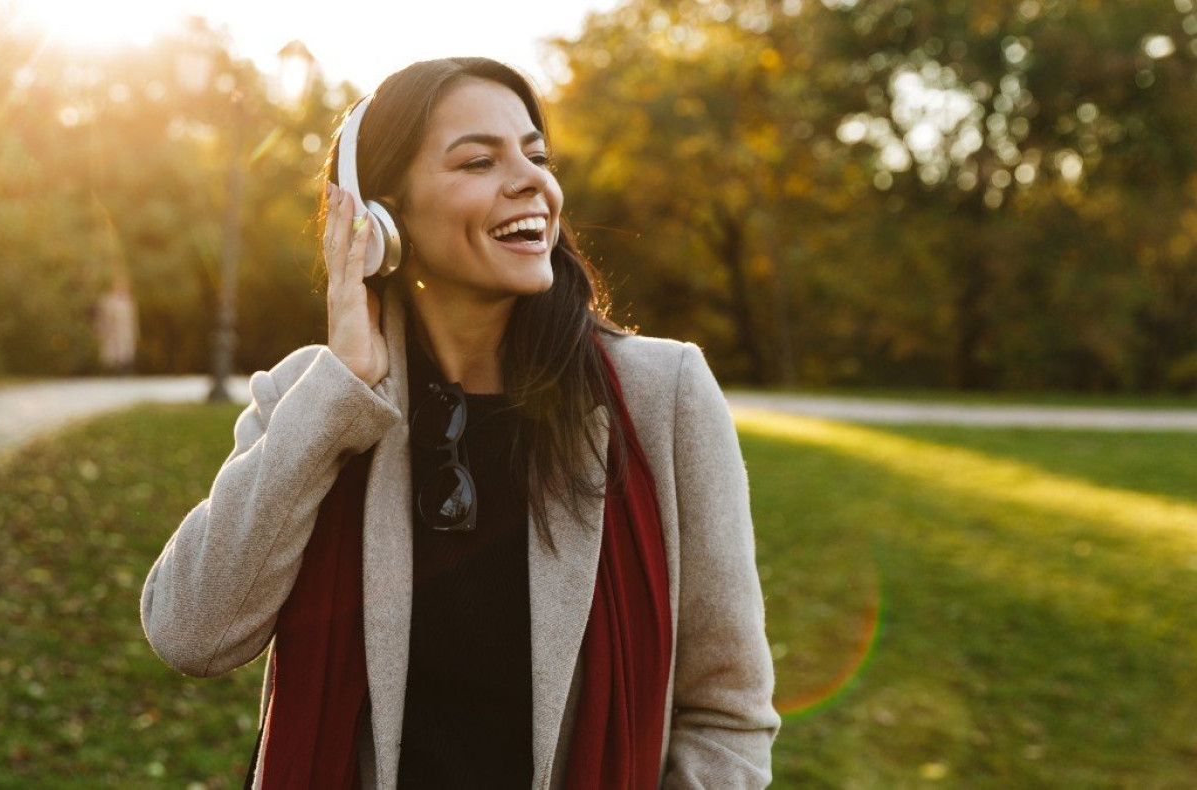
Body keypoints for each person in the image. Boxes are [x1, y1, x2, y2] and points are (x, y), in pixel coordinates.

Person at [140, 57, 780, 789]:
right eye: (479, 159)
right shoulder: (311, 399)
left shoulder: (663, 395)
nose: (531, 179)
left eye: (536, 155)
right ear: (382, 217)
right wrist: (343, 390)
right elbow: (190, 632)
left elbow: (729, 713)